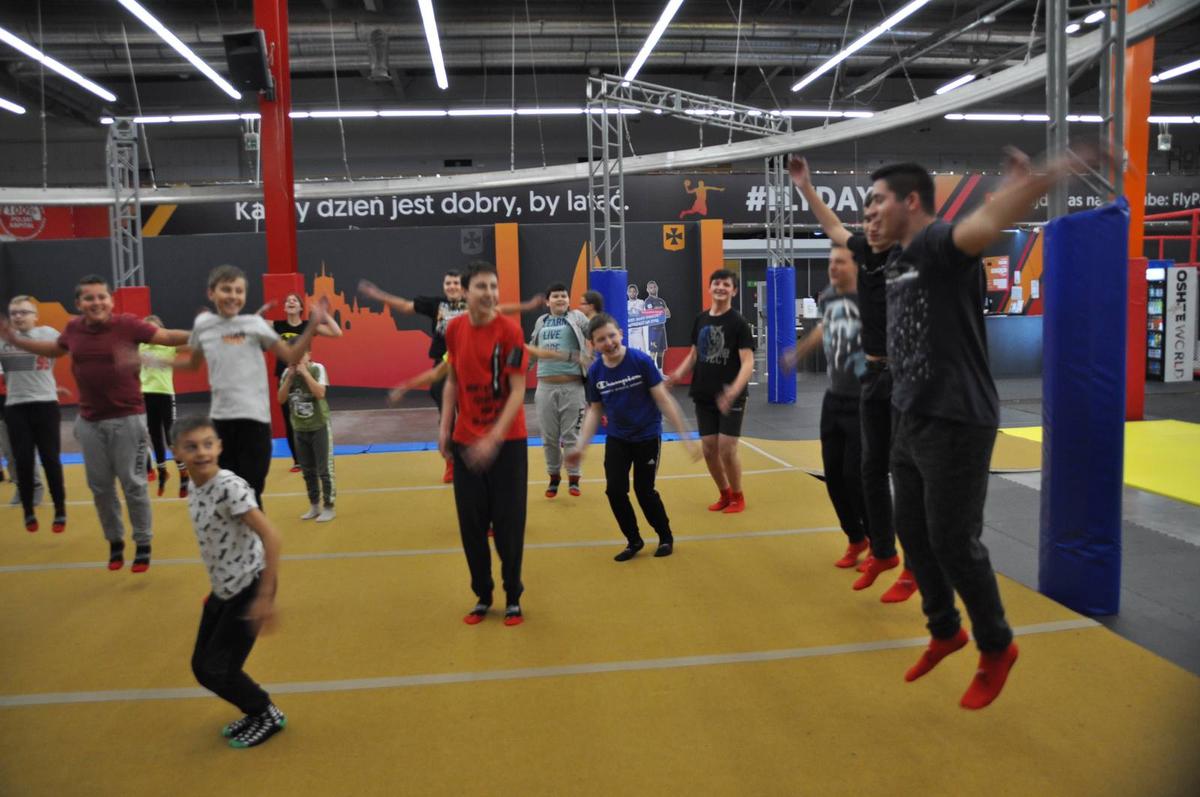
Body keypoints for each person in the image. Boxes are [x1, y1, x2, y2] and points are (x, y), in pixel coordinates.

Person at [870, 150, 1082, 709]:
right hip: (910, 413)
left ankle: (996, 644)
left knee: (952, 540)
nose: (871, 213)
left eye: (879, 201)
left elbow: (984, 225)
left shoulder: (938, 243)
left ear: (910, 202)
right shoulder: (897, 261)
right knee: (911, 531)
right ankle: (945, 630)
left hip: (956, 417)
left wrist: (1042, 179)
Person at [790, 155, 916, 602]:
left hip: (903, 379)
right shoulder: (856, 264)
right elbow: (832, 226)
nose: (871, 224)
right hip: (868, 384)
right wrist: (805, 187)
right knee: (864, 472)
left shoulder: (910, 258)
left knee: (905, 476)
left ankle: (913, 563)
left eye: (880, 213)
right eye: (867, 217)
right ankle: (879, 549)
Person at [0, 276, 190, 571]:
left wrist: (206, 333)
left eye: (102, 296)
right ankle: (115, 541)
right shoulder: (74, 329)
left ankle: (143, 542)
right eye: (89, 298)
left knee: (134, 484)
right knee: (100, 488)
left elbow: (166, 337)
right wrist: (17, 341)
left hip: (127, 418)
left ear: (111, 301)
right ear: (79, 303)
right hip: (90, 422)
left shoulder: (128, 325)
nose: (96, 302)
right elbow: (54, 350)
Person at [171, 415, 286, 749]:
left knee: (218, 669)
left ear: (219, 446)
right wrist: (217, 590)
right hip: (224, 590)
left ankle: (265, 713)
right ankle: (255, 711)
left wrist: (265, 597)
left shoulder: (229, 487)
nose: (202, 452)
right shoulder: (195, 485)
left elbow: (271, 536)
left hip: (250, 587)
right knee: (202, 666)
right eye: (192, 446)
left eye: (208, 444)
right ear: (176, 452)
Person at [359, 273, 541, 483]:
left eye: (455, 282)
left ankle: (481, 453)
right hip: (444, 363)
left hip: (469, 364)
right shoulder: (437, 305)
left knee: (471, 412)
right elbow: (405, 306)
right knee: (448, 417)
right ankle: (451, 462)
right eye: (448, 283)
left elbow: (500, 310)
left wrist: (527, 306)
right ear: (444, 286)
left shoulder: (474, 305)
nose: (452, 286)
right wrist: (378, 295)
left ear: (463, 289)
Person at [188, 265, 325, 509]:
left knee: (250, 491)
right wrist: (154, 360)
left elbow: (293, 352)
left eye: (238, 290)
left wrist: (313, 324)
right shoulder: (208, 327)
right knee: (228, 488)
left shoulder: (256, 326)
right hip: (224, 418)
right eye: (226, 289)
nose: (233, 295)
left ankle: (259, 537)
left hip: (254, 421)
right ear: (211, 293)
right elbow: (191, 360)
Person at [567, 313, 700, 561]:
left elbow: (663, 399)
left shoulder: (640, 361)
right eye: (601, 339)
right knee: (615, 491)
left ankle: (665, 536)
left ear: (621, 334)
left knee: (644, 490)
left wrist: (686, 436)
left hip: (647, 436)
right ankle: (633, 540)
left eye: (612, 336)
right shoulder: (596, 371)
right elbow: (595, 411)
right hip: (618, 438)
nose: (608, 342)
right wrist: (580, 447)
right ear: (593, 345)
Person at [440, 261, 530, 627]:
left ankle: (513, 595)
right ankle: (483, 594)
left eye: (494, 286)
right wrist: (444, 427)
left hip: (508, 443)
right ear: (464, 292)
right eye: (481, 286)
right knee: (471, 525)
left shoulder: (511, 331)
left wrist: (493, 439)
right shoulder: (454, 329)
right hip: (465, 441)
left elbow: (518, 391)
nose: (490, 293)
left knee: (508, 524)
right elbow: (451, 380)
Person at [782, 246, 872, 573]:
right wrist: (799, 351)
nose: (833, 268)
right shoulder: (831, 296)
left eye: (840, 262)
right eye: (830, 262)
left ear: (857, 265)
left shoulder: (873, 297)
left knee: (855, 475)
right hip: (834, 398)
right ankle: (855, 538)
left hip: (864, 399)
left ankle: (878, 542)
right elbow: (825, 327)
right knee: (832, 475)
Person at [666, 269, 755, 514]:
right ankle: (724, 493)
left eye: (726, 285)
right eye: (717, 283)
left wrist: (733, 391)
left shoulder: (738, 323)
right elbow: (694, 354)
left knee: (727, 448)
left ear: (734, 291)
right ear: (709, 288)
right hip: (703, 392)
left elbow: (748, 362)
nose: (720, 288)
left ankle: (738, 495)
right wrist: (677, 374)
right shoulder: (701, 319)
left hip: (731, 396)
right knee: (708, 449)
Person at [0, 296, 66, 532]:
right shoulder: (3, 340)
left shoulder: (48, 334)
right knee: (23, 459)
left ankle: (60, 510)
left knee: (50, 459)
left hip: (45, 404)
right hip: (16, 406)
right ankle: (28, 510)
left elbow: (67, 349)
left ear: (35, 316)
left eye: (24, 312)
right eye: (14, 313)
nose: (18, 316)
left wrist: (51, 387)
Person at [528, 282, 590, 498]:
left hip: (573, 387)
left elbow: (594, 331)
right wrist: (518, 369)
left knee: (571, 436)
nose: (561, 299)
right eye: (555, 296)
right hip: (545, 388)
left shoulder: (577, 317)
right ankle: (554, 477)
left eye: (564, 295)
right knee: (549, 437)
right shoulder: (541, 321)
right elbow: (532, 350)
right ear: (548, 302)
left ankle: (574, 478)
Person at [269, 292, 342, 474]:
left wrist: (324, 315)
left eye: (294, 300)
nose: (291, 302)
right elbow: (253, 324)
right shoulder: (277, 325)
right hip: (286, 375)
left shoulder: (308, 326)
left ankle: (315, 457)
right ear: (285, 308)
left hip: (306, 374)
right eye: (288, 300)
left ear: (301, 307)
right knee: (289, 419)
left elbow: (337, 333)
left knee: (311, 415)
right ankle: (298, 461)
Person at [278, 350, 336, 522]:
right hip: (299, 427)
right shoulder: (287, 373)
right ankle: (314, 505)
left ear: (308, 354)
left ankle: (329, 506)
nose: (296, 359)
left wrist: (305, 373)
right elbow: (280, 399)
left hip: (319, 425)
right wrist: (289, 378)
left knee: (324, 470)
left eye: (300, 355)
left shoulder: (317, 368)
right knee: (308, 470)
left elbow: (320, 393)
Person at [139, 315, 188, 498]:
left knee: (170, 437)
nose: (151, 333)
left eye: (155, 329)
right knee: (154, 435)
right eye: (147, 330)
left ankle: (183, 472)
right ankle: (162, 471)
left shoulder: (169, 346)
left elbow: (191, 345)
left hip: (165, 395)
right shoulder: (140, 346)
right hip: (146, 395)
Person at [643, 280, 672, 370]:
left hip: (662, 329)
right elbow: (651, 314)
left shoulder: (661, 301)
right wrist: (661, 311)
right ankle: (651, 372)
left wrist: (659, 310)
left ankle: (660, 372)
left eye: (654, 287)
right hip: (653, 330)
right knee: (653, 352)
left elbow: (668, 314)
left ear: (657, 288)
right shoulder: (648, 301)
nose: (653, 289)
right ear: (647, 290)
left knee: (661, 352)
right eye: (651, 287)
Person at [626, 284, 649, 353]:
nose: (632, 293)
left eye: (634, 291)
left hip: (638, 332)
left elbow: (649, 313)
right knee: (630, 352)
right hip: (629, 332)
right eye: (630, 291)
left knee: (641, 351)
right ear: (627, 293)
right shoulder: (625, 304)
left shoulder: (641, 302)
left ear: (637, 292)